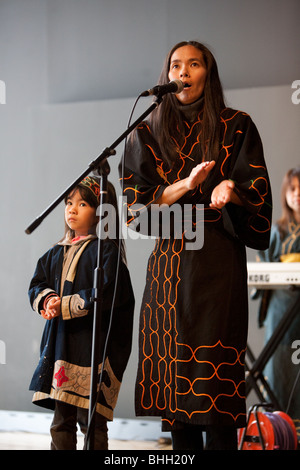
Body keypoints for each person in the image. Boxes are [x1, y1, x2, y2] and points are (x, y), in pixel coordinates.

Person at [120, 40, 272, 450]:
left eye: (193, 64)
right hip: (168, 271)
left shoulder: (237, 124)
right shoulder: (146, 130)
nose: (182, 71)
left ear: (208, 73)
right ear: (166, 75)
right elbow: (137, 210)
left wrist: (231, 189)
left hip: (217, 267)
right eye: (175, 65)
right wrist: (186, 185)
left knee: (215, 395)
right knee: (178, 404)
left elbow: (256, 193)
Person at [28, 176, 134, 450]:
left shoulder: (106, 254)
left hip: (92, 351)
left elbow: (106, 294)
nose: (71, 209)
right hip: (62, 349)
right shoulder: (55, 254)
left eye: (83, 203)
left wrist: (63, 305)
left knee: (92, 424)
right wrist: (48, 299)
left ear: (101, 212)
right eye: (69, 202)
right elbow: (37, 284)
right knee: (61, 421)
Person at [257, 167, 300, 441]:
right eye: (293, 189)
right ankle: (279, 431)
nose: (297, 195)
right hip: (280, 309)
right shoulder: (279, 230)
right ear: (285, 193)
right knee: (278, 367)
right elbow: (265, 268)